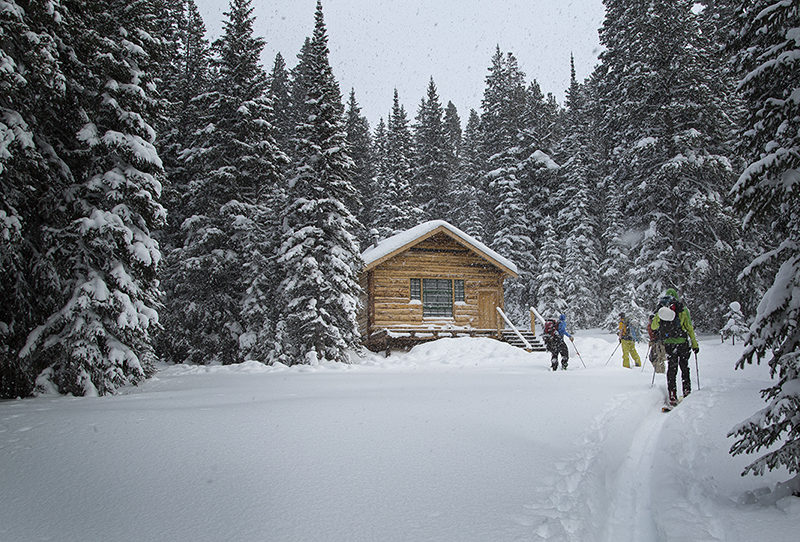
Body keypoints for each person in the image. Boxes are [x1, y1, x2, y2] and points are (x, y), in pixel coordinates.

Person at [650, 288, 699, 406]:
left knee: (672, 369)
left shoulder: (662, 310)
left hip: (669, 345)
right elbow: (689, 328)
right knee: (684, 367)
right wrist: (694, 344)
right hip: (682, 343)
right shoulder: (683, 309)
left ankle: (672, 395)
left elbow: (654, 326)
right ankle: (687, 391)